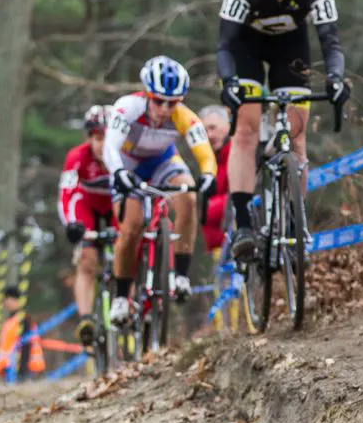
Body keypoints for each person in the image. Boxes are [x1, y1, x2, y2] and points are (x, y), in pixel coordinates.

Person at [216, 0, 350, 260]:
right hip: (245, 51)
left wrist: (336, 78)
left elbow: (331, 43)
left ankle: (294, 221)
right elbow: (225, 45)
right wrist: (229, 81)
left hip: (290, 51)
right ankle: (244, 224)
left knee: (297, 134)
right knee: (245, 131)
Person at [104, 55, 217, 326]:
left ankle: (180, 275)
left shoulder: (183, 116)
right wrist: (119, 173)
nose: (165, 109)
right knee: (131, 226)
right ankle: (121, 296)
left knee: (188, 198)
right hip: (127, 165)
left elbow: (205, 154)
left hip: (162, 162)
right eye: (158, 101)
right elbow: (110, 147)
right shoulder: (128, 107)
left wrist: (209, 176)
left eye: (173, 102)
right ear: (147, 95)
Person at [58, 105, 116, 346]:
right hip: (87, 207)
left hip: (115, 204)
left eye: (109, 137)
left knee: (128, 246)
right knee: (87, 259)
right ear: (90, 138)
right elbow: (67, 193)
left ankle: (127, 305)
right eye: (98, 138)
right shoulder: (77, 157)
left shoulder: (125, 156)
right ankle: (86, 319)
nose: (103, 144)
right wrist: (72, 224)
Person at [198, 105, 233, 253]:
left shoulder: (237, 153)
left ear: (228, 126)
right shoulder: (205, 158)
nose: (210, 135)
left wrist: (211, 208)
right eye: (204, 130)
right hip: (216, 247)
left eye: (213, 128)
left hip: (233, 239)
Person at [0, 285, 45, 381]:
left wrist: (22, 371)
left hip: (24, 371)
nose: (5, 303)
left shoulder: (23, 320)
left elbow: (26, 345)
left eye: (6, 299)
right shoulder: (10, 321)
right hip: (10, 370)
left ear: (13, 299)